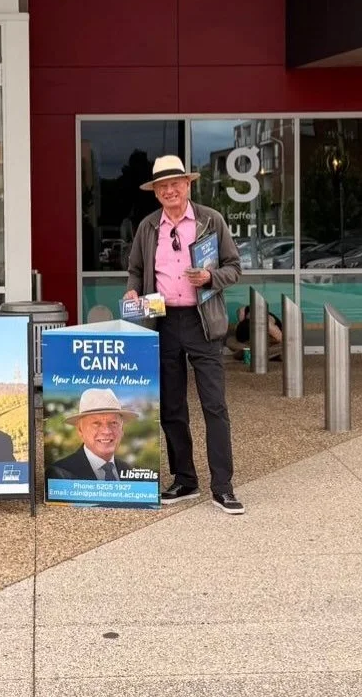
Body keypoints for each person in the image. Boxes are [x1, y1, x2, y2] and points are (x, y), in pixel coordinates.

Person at [123, 155, 245, 514]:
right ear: (156, 192)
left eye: (176, 183)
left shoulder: (211, 221)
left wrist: (210, 278)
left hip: (202, 321)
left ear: (188, 185)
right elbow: (135, 270)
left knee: (214, 406)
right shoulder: (148, 227)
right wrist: (133, 291)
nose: (170, 190)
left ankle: (223, 486)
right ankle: (184, 479)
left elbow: (235, 267)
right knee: (172, 407)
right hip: (162, 321)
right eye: (163, 186)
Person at [47, 388, 134, 481]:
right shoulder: (60, 473)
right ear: (80, 430)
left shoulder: (129, 471)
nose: (107, 431)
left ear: (122, 430)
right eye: (96, 423)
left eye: (113, 423)